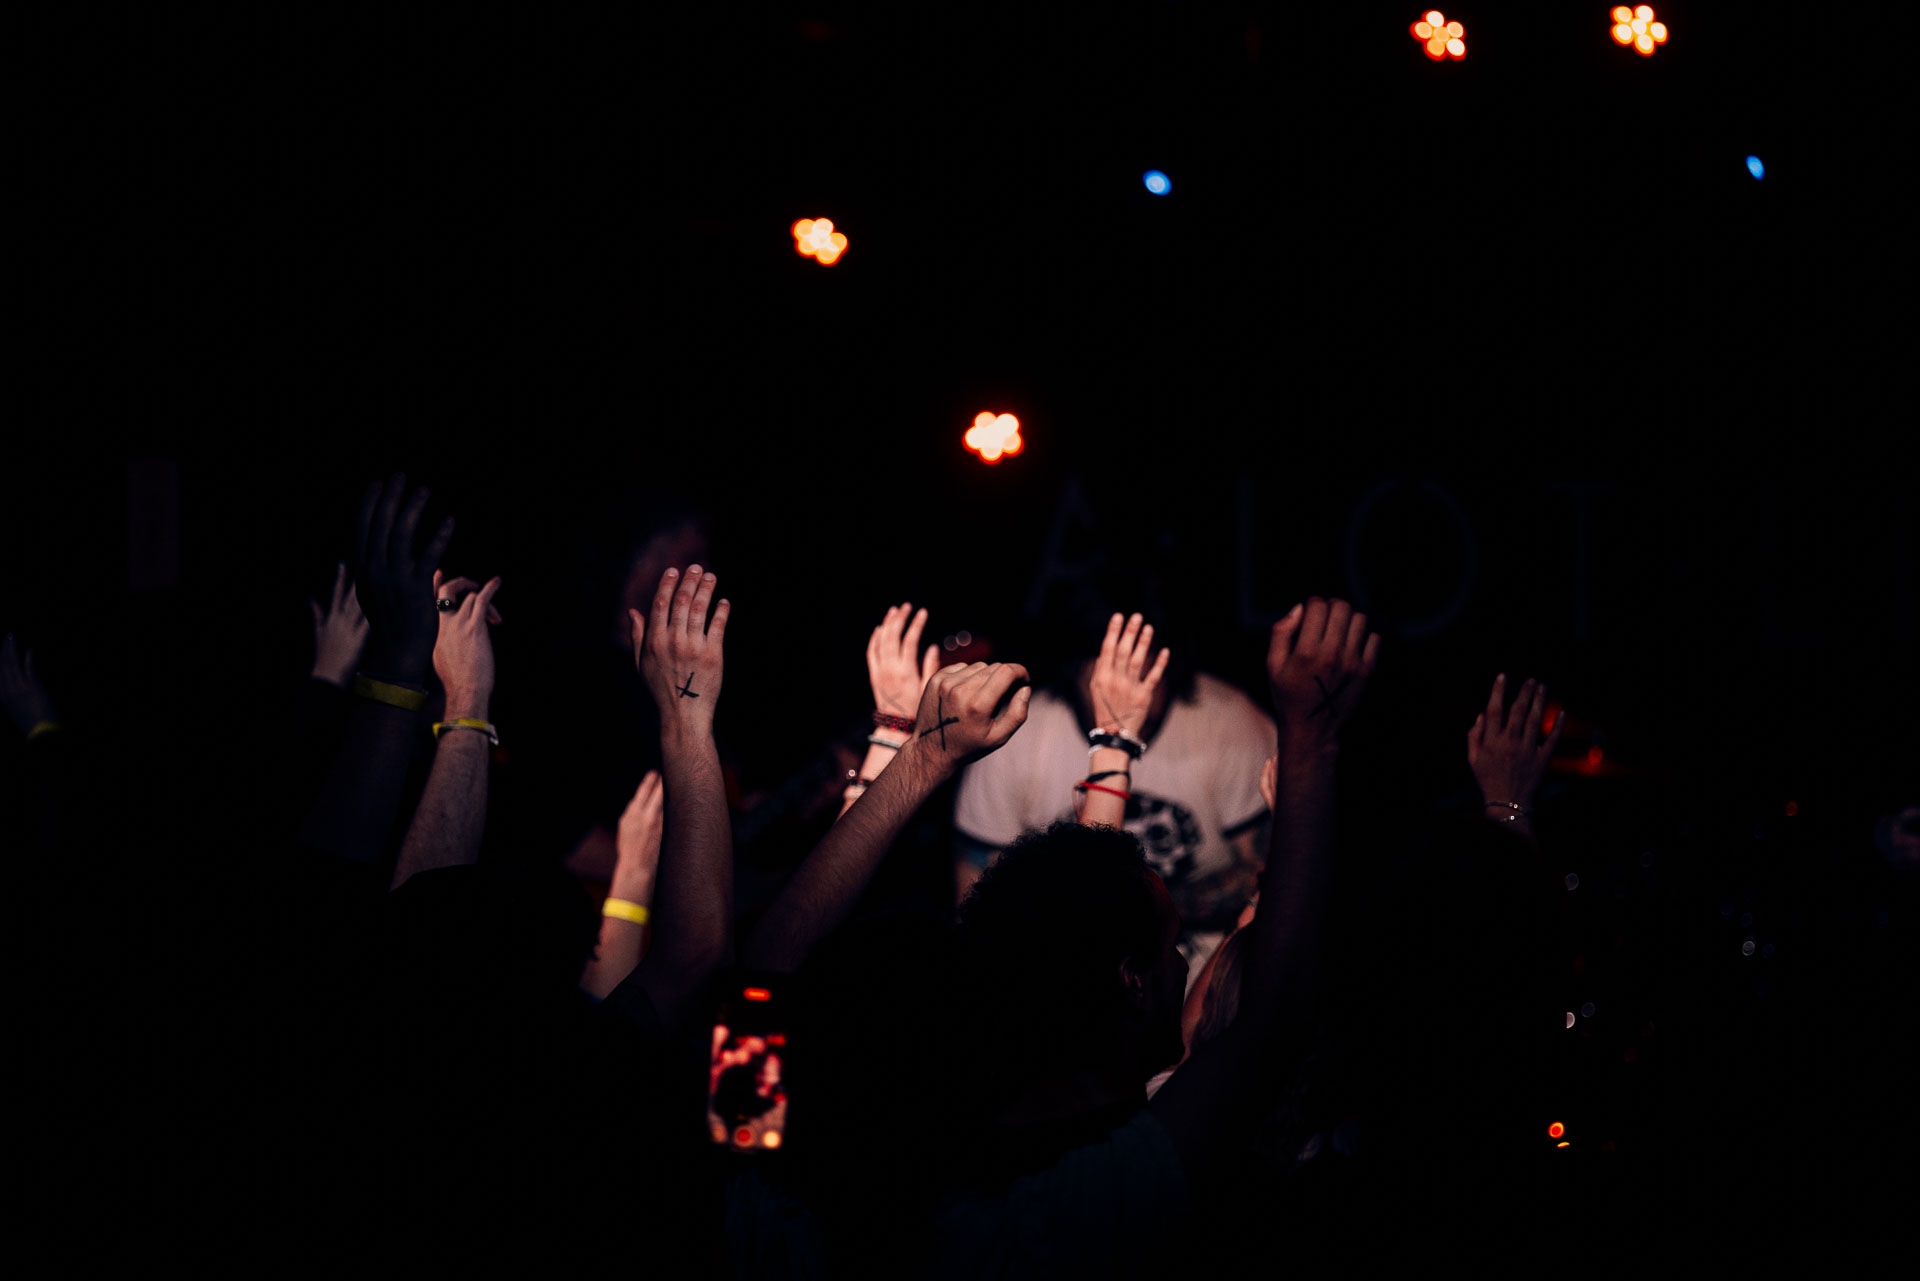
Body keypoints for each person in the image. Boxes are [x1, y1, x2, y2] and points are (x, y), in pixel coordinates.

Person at [952, 610, 1277, 978]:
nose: (1127, 693)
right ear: (1076, 672)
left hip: (1205, 967)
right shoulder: (1021, 735)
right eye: (1109, 676)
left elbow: (1270, 875)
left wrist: (1150, 914)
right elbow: (975, 902)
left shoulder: (1229, 719)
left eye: (1142, 672)